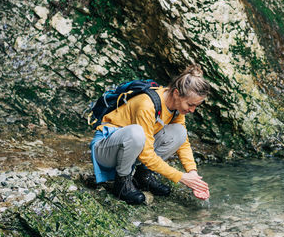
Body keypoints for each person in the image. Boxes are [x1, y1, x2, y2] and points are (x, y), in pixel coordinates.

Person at [90, 64, 210, 205]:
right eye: (190, 105)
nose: (193, 110)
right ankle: (122, 181)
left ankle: (143, 176)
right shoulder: (147, 104)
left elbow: (183, 143)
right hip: (105, 151)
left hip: (131, 149)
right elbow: (145, 154)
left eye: (196, 106)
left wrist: (192, 173)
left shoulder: (176, 107)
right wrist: (180, 177)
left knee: (180, 132)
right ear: (176, 93)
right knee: (136, 133)